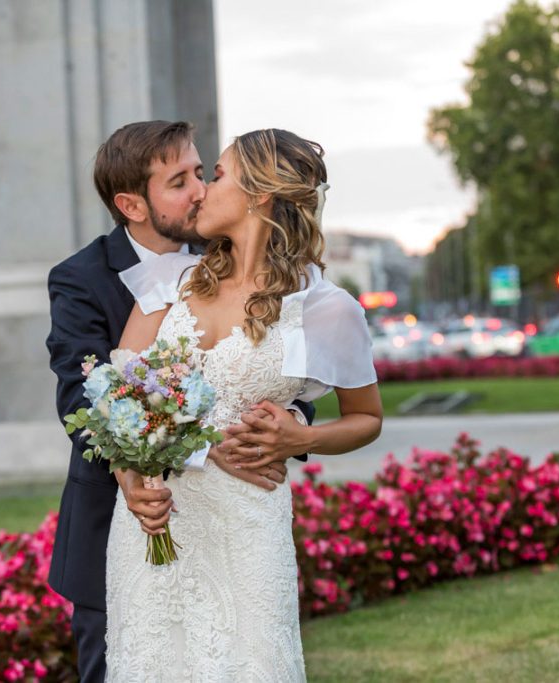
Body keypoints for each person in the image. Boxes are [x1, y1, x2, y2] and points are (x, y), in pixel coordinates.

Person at [105, 129, 383, 681]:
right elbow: (120, 404)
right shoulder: (170, 282)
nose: (203, 189)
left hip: (248, 534)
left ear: (258, 193)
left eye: (218, 174)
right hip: (154, 530)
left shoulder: (324, 308)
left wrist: (301, 438)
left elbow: (367, 418)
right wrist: (131, 483)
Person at [45, 121, 315, 683]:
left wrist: (288, 420)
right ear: (131, 204)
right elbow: (86, 401)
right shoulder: (80, 279)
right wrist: (184, 449)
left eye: (201, 172)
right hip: (118, 530)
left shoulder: (232, 254)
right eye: (178, 181)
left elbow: (275, 368)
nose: (199, 190)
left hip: (230, 533)